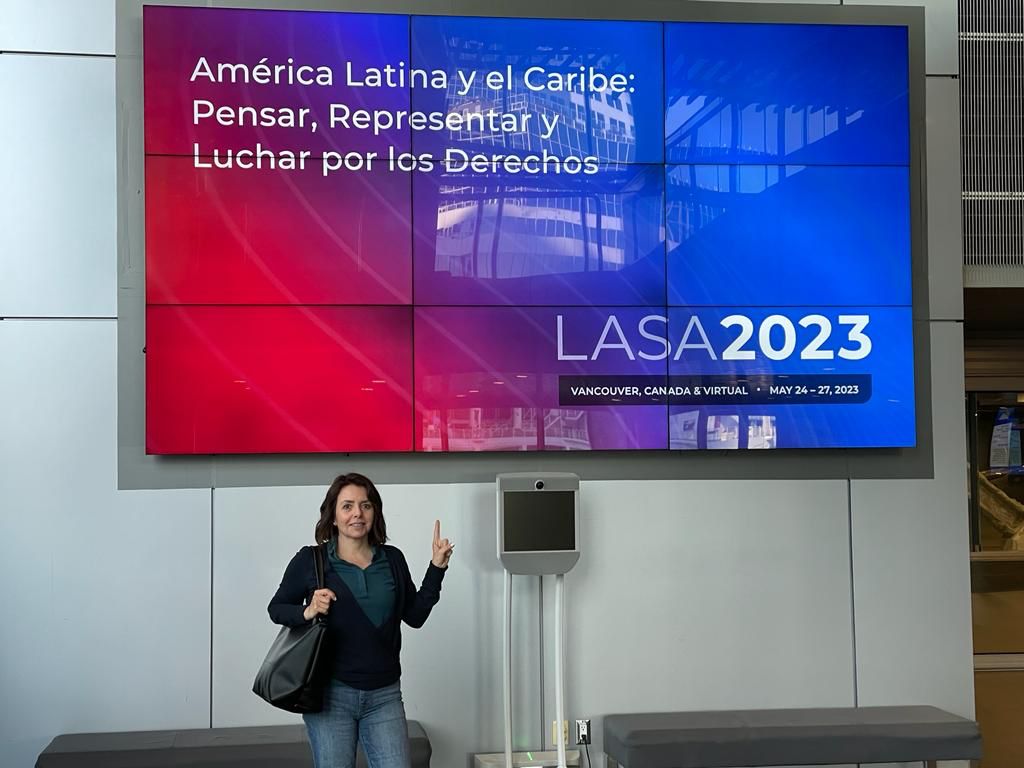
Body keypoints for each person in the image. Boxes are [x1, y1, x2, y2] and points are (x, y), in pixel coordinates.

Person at [268, 472, 453, 768]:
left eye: (366, 505)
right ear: (333, 516)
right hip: (329, 698)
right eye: (347, 506)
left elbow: (415, 616)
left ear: (374, 512)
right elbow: (276, 608)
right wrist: (308, 610)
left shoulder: (392, 559)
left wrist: (437, 568)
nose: (357, 513)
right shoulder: (310, 560)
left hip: (385, 696)